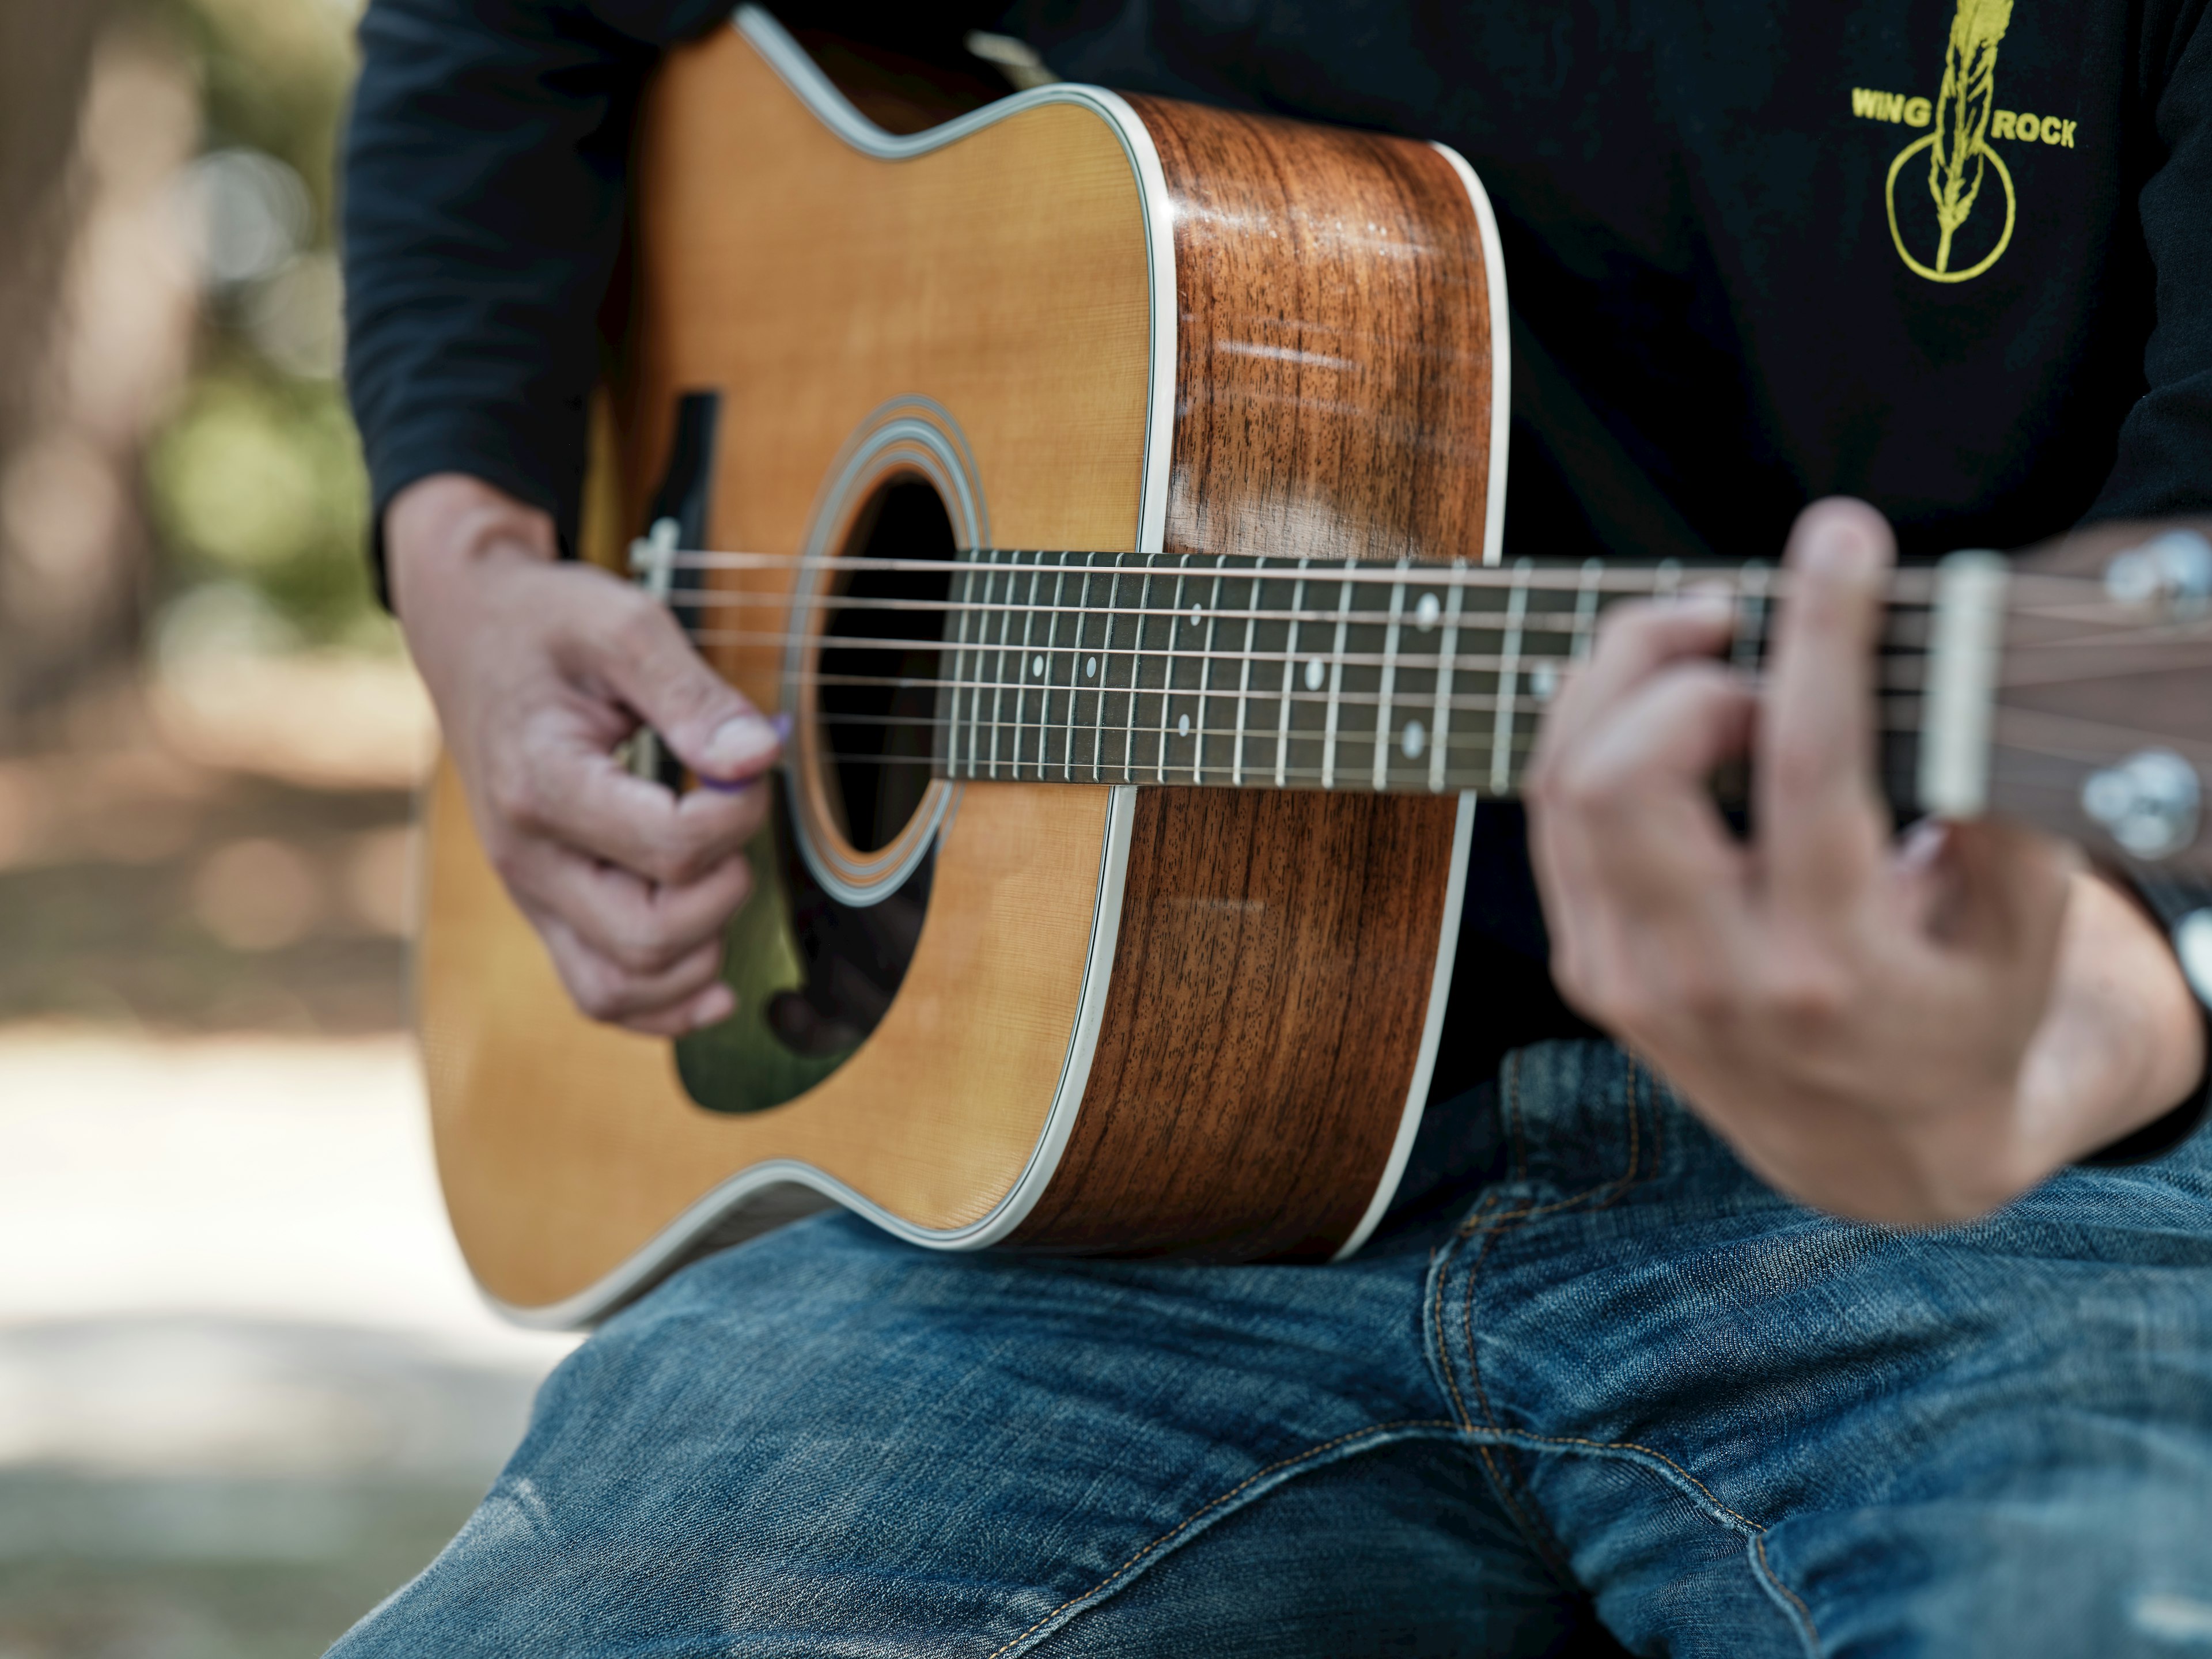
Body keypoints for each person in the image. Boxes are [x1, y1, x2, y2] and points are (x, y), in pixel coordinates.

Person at [334, 2, 2212, 1652]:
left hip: (2020, 1211)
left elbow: (2173, 686)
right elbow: (498, 30)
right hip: (1116, 1208)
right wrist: (470, 560)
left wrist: (2045, 1042)